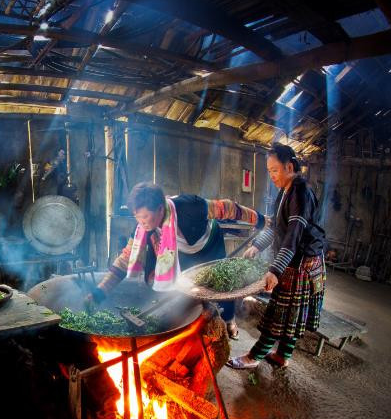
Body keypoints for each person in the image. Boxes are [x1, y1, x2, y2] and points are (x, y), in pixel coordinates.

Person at [87, 182, 267, 339]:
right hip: (179, 250)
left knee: (220, 286)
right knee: (187, 286)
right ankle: (194, 322)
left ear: (159, 208)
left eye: (144, 217)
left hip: (208, 244)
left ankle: (228, 321)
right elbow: (126, 258)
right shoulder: (143, 226)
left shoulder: (190, 206)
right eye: (137, 218)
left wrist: (259, 220)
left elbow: (227, 208)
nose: (141, 223)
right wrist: (99, 292)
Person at [226, 143, 326, 369]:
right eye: (269, 171)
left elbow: (293, 235)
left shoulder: (300, 193)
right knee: (289, 314)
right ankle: (282, 356)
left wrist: (275, 270)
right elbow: (275, 227)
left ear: (289, 167)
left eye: (274, 170)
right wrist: (257, 246)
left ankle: (254, 357)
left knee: (279, 314)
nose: (271, 175)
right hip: (295, 260)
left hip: (302, 264)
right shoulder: (285, 191)